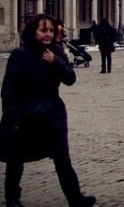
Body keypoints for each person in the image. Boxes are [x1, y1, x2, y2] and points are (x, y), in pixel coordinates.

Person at [0, 14, 96, 207]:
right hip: (26, 112)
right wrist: (13, 116)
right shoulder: (21, 54)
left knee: (62, 157)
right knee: (16, 157)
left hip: (52, 113)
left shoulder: (55, 51)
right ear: (33, 31)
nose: (48, 35)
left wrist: (56, 61)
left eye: (51, 31)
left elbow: (70, 78)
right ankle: (12, 197)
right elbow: (8, 89)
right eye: (43, 30)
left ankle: (75, 198)